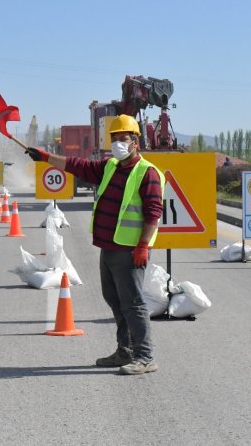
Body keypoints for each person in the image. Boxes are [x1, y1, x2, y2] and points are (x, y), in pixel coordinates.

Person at [25, 114, 164, 375]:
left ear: (136, 142)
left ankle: (145, 357)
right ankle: (125, 350)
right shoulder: (110, 167)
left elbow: (153, 212)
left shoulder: (148, 173)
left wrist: (143, 246)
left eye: (123, 139)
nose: (118, 144)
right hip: (109, 246)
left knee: (132, 302)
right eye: (114, 139)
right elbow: (77, 165)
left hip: (130, 250)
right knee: (114, 299)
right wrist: (45, 157)